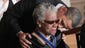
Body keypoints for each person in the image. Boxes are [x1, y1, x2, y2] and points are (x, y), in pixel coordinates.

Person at [0, 0, 67, 48]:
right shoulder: (27, 43)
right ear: (39, 22)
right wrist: (19, 33)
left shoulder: (58, 37)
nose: (57, 25)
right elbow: (9, 16)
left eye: (57, 21)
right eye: (51, 22)